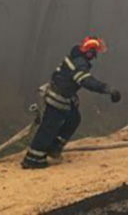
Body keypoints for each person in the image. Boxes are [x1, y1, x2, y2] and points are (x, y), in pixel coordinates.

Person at [22, 37, 121, 169]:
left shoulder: (75, 57)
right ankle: (33, 159)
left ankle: (54, 148)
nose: (95, 56)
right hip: (58, 98)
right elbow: (86, 81)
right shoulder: (80, 63)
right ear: (89, 52)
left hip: (64, 96)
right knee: (48, 128)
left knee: (74, 119)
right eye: (94, 52)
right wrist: (108, 89)